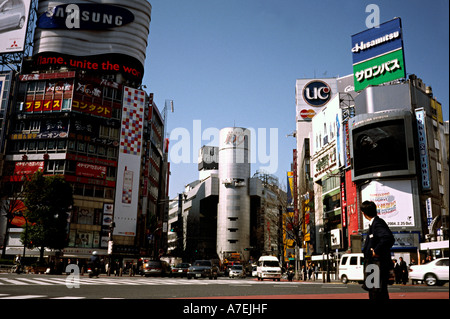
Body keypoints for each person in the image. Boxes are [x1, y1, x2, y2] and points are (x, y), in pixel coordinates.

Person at [361, 200, 395, 300]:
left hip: (376, 264)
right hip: (373, 265)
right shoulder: (373, 224)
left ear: (364, 213)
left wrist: (376, 251)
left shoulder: (378, 223)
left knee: (377, 293)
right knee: (375, 292)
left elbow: (388, 238)